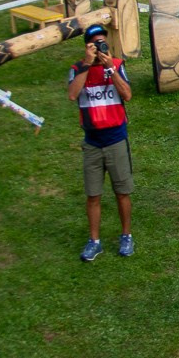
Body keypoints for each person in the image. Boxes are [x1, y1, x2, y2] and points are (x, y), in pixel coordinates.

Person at [68, 23, 135, 262]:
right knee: (93, 195)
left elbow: (127, 94)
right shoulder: (77, 68)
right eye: (94, 44)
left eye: (102, 42)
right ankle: (94, 241)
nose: (99, 47)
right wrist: (87, 64)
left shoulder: (116, 65)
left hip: (116, 138)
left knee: (122, 192)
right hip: (92, 142)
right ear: (87, 46)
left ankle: (126, 235)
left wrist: (110, 70)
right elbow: (73, 94)